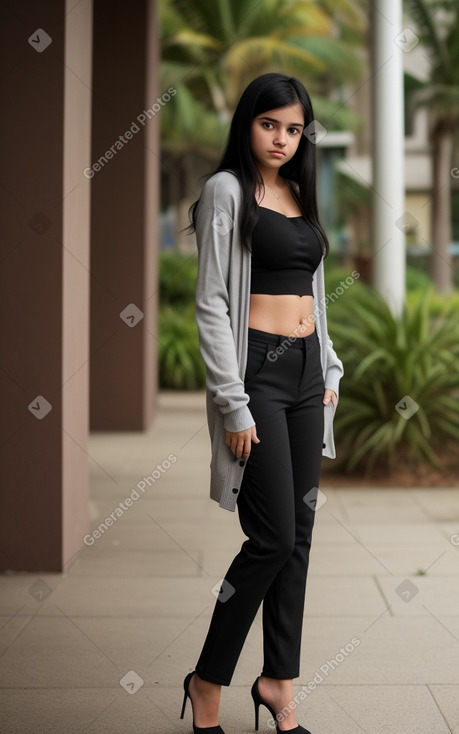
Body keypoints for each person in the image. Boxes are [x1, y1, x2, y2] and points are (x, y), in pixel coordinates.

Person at [180, 72, 344, 734]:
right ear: (247, 123)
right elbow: (212, 303)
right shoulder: (226, 192)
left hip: (306, 376)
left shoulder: (301, 192)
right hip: (256, 376)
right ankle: (207, 680)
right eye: (268, 123)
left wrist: (327, 364)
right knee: (270, 537)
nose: (280, 138)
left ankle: (278, 683)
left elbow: (312, 290)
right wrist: (232, 401)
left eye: (293, 128)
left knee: (298, 536)